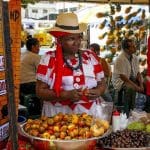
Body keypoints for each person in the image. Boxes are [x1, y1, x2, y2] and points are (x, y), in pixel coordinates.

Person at [36, 12, 106, 117]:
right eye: (71, 39)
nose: (77, 42)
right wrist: (65, 95)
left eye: (78, 37)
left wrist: (98, 91)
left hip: (89, 114)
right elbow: (40, 92)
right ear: (59, 40)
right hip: (58, 116)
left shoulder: (90, 56)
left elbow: (102, 83)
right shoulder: (48, 59)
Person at [112, 38, 144, 116]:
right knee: (130, 88)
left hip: (131, 79)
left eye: (134, 46)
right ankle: (127, 113)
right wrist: (136, 86)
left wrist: (141, 85)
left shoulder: (135, 57)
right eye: (132, 46)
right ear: (126, 49)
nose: (135, 48)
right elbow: (123, 77)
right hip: (121, 81)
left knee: (146, 83)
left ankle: (143, 110)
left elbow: (138, 73)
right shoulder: (120, 59)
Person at [20, 37, 41, 116]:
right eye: (38, 46)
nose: (39, 48)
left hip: (19, 85)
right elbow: (41, 73)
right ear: (33, 47)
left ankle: (34, 109)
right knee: (45, 89)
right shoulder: (35, 56)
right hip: (28, 85)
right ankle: (38, 111)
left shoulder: (22, 54)